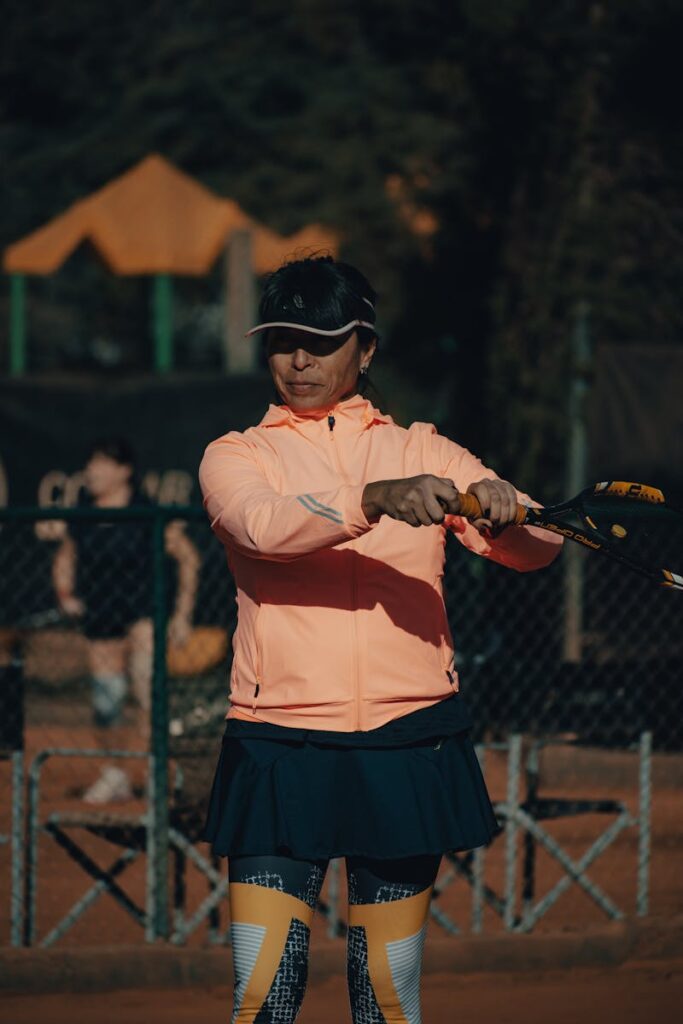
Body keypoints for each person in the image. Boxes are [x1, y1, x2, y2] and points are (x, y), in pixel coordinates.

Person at [198, 255, 563, 1023]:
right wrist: (372, 498)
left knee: (387, 1003)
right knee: (264, 1001)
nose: (298, 360)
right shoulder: (237, 455)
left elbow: (535, 549)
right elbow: (262, 528)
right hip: (279, 746)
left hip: (408, 741)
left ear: (364, 349)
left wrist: (509, 511)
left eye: (322, 340)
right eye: (282, 340)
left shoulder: (425, 450)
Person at [52, 436, 200, 803]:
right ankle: (115, 771)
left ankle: (153, 772)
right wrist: (66, 595)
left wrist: (182, 614)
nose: (92, 471)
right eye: (90, 463)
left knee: (146, 689)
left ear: (124, 471)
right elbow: (65, 558)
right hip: (101, 615)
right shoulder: (83, 512)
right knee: (107, 701)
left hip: (145, 611)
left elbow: (188, 558)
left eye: (101, 463)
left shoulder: (146, 511)